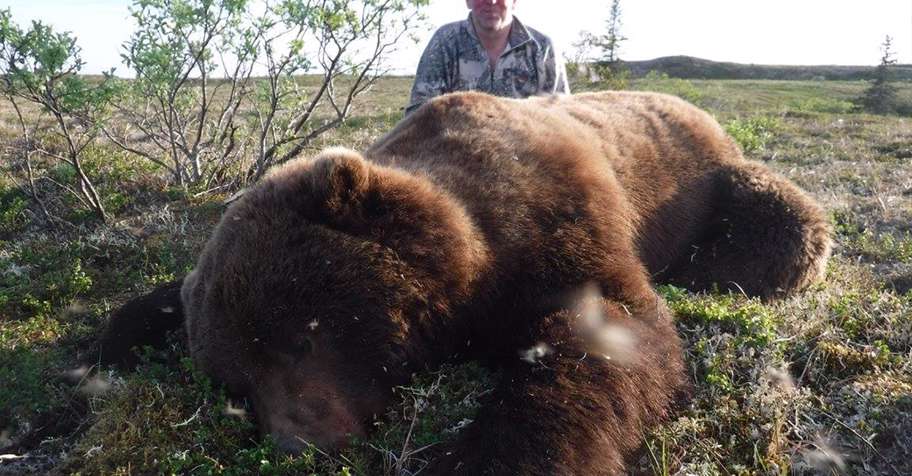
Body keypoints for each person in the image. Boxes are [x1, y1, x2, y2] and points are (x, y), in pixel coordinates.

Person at [406, 0, 570, 114]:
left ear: (514, 1)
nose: (491, 2)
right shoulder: (444, 42)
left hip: (527, 155)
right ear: (468, 1)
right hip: (456, 154)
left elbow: (561, 116)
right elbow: (419, 115)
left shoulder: (542, 48)